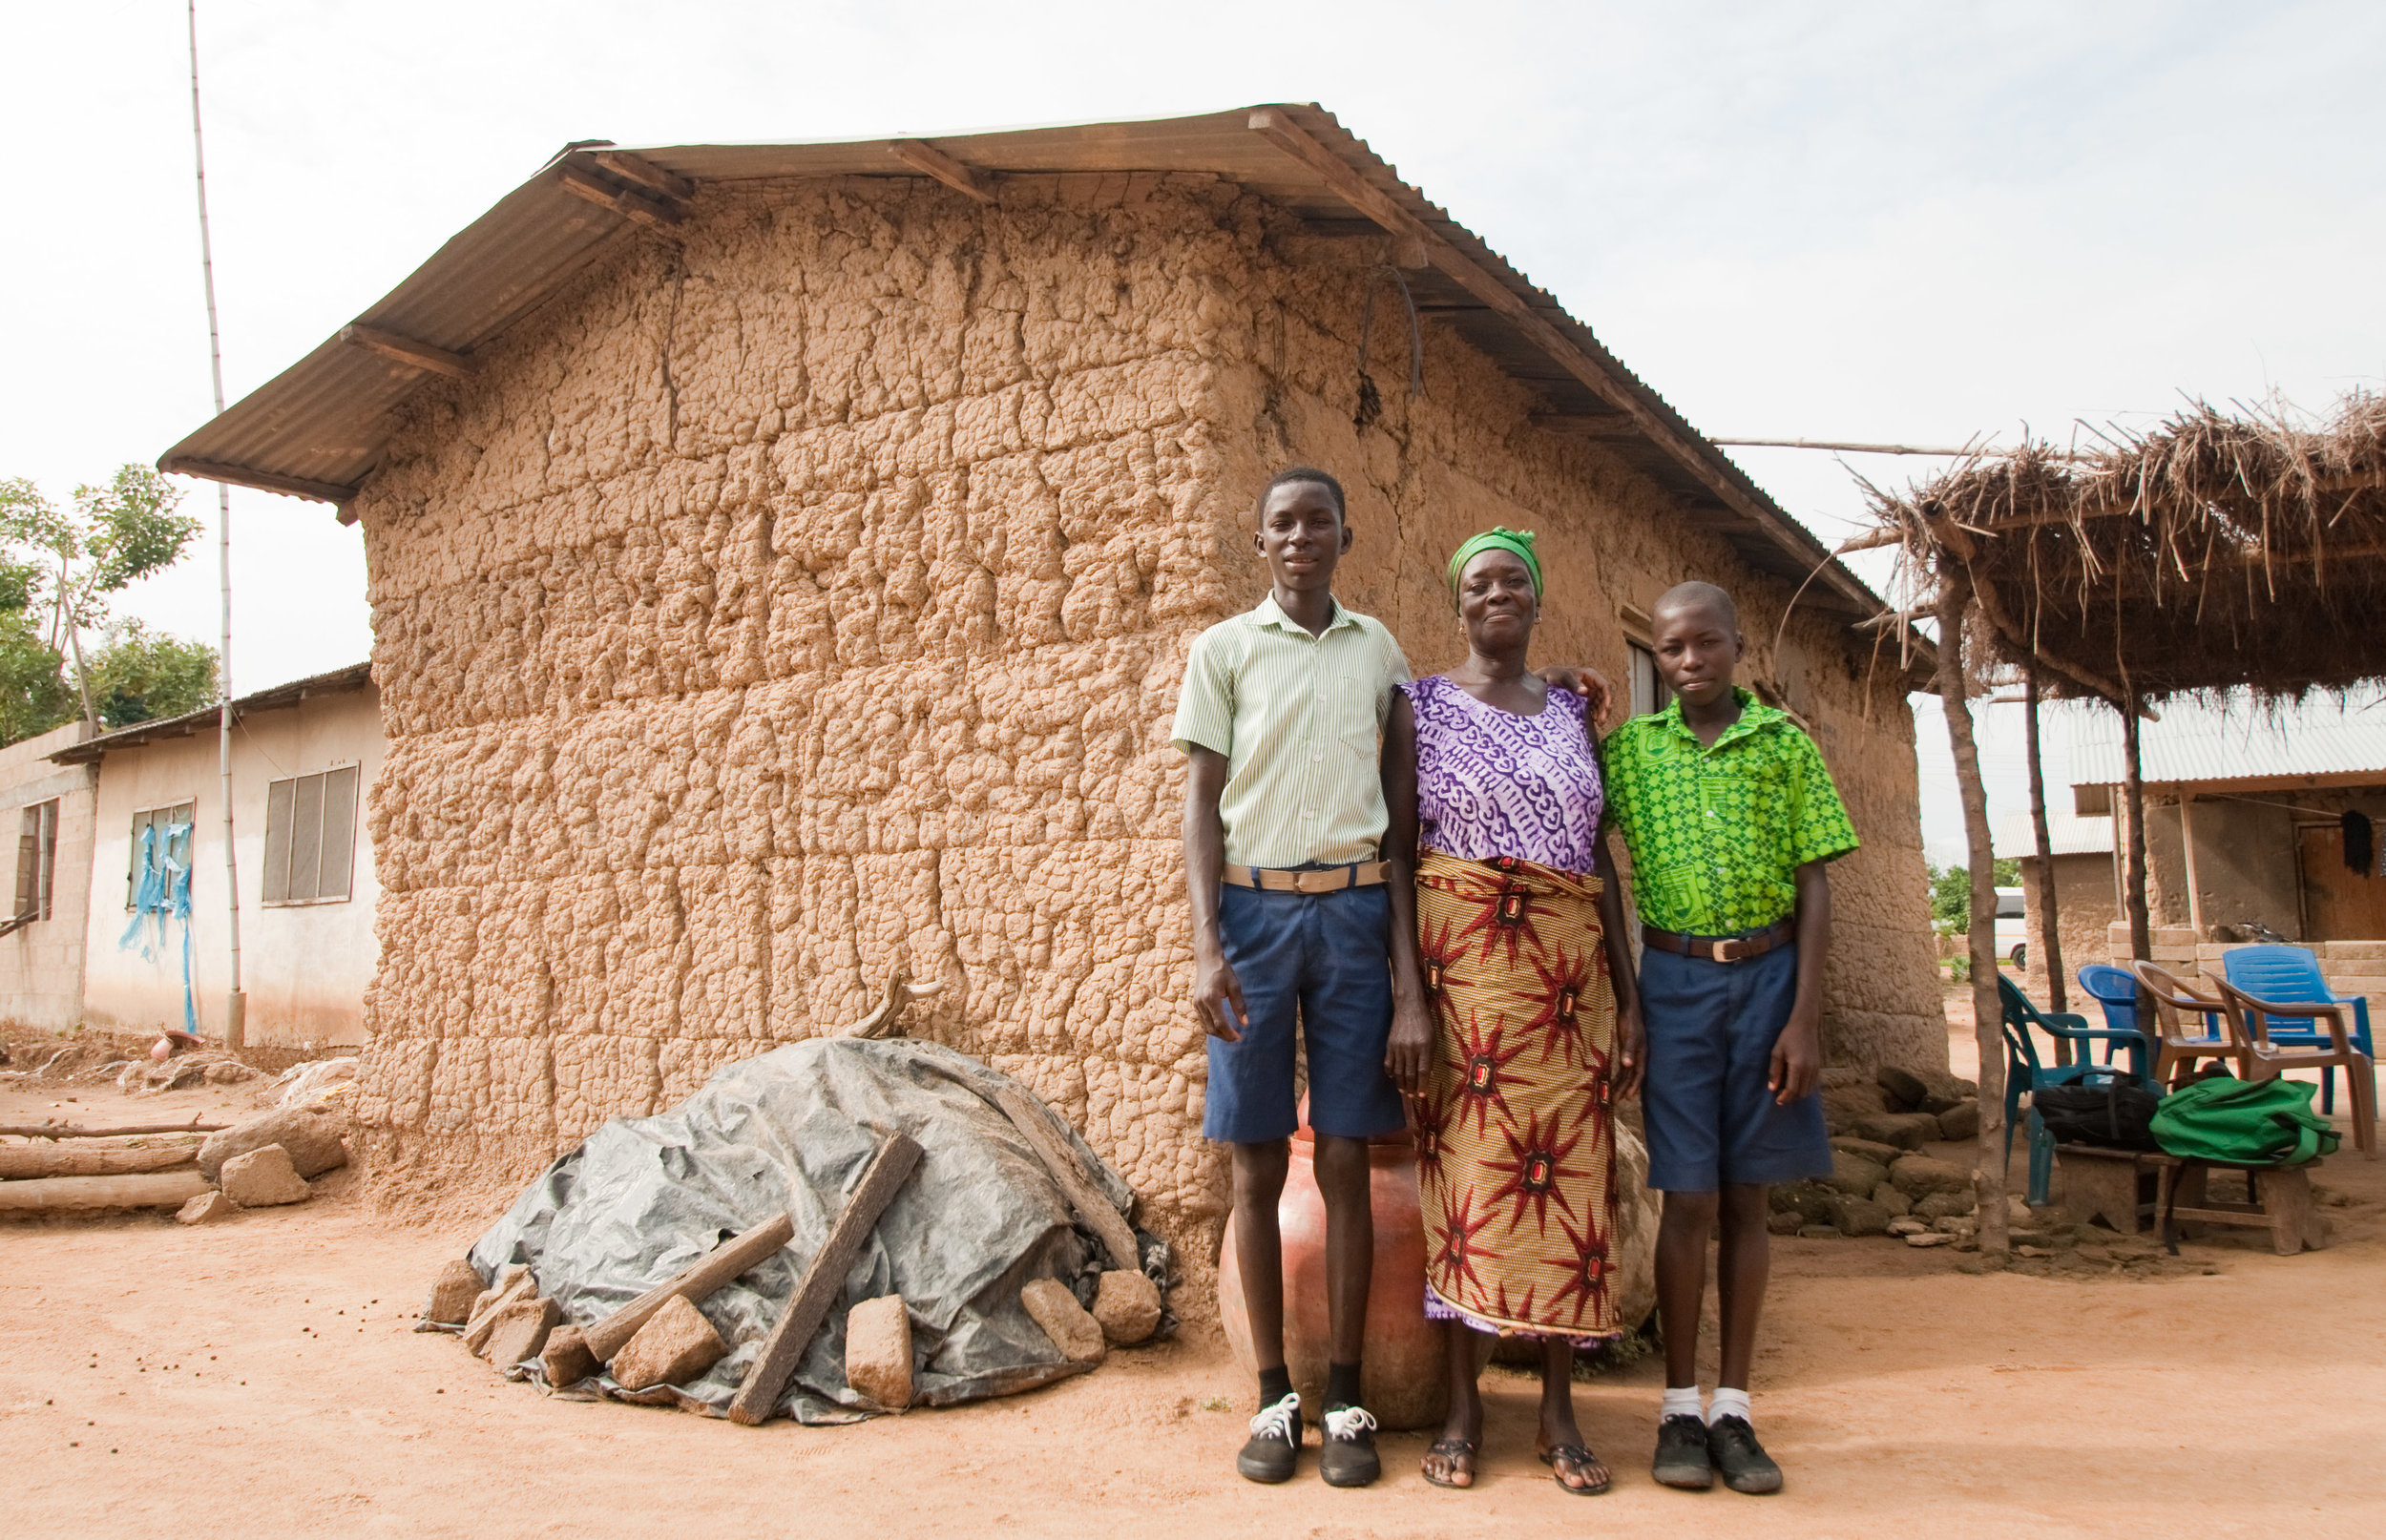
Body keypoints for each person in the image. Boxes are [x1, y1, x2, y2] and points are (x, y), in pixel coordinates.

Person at [1172, 470, 1609, 1489]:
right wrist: (1204, 943)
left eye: (1316, 521)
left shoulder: (1380, 653)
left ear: (1343, 535)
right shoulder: (1222, 651)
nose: (1298, 537)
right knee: (1252, 1157)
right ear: (1259, 539)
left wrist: (1573, 683)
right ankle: (1274, 1397)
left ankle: (1344, 1394)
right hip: (1251, 912)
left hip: (1359, 912)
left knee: (1347, 1148)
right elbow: (1199, 801)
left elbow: (1459, 724)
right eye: (1280, 522)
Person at [1380, 528, 1646, 1496]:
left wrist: (1632, 1001)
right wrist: (1407, 995)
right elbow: (1397, 858)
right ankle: (1462, 1406)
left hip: (1568, 984)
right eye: (1479, 583)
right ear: (1459, 606)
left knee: (1573, 1182)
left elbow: (1601, 864)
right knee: (1469, 1179)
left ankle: (1558, 1412)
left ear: (1536, 602)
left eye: (1512, 581)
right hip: (1463, 980)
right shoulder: (1421, 707)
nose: (1497, 594)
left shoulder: (1576, 709)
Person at [1597, 580, 1858, 1496]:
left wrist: (1805, 1017)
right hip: (1672, 986)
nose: (1689, 661)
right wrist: (1628, 995)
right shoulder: (1628, 753)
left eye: (1706, 644)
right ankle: (1677, 1408)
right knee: (1687, 1195)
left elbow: (1817, 882)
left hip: (1770, 982)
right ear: (1658, 659)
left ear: (1737, 646)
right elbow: (1593, 865)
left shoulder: (1784, 747)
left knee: (1748, 1197)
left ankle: (1736, 1408)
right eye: (1670, 650)